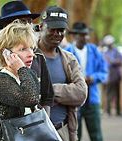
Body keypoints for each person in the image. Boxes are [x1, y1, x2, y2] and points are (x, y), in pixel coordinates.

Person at [0, 1, 54, 119]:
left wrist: (45, 126)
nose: (28, 26)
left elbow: (46, 97)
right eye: (22, 22)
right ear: (6, 27)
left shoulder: (37, 55)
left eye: (29, 22)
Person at [38, 6, 88, 141]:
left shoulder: (69, 59)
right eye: (52, 29)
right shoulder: (28, 56)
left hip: (62, 131)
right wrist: (64, 92)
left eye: (61, 30)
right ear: (41, 26)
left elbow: (81, 93)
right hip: (33, 132)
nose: (57, 34)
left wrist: (49, 91)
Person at [0, 21, 40, 140]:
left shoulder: (29, 74)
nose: (31, 54)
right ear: (6, 53)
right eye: (23, 49)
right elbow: (30, 99)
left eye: (31, 48)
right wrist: (21, 68)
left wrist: (23, 71)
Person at [64, 22, 108, 141]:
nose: (85, 37)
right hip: (74, 100)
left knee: (96, 135)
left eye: (86, 34)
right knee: (75, 135)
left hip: (92, 99)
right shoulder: (67, 52)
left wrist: (93, 77)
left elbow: (104, 72)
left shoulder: (94, 50)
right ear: (74, 35)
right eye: (82, 35)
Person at [103, 35, 122, 116]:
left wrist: (112, 61)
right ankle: (108, 111)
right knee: (109, 93)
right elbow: (106, 63)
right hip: (109, 75)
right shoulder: (105, 52)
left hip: (116, 75)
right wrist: (114, 61)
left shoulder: (116, 51)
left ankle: (118, 111)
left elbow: (120, 60)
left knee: (117, 93)